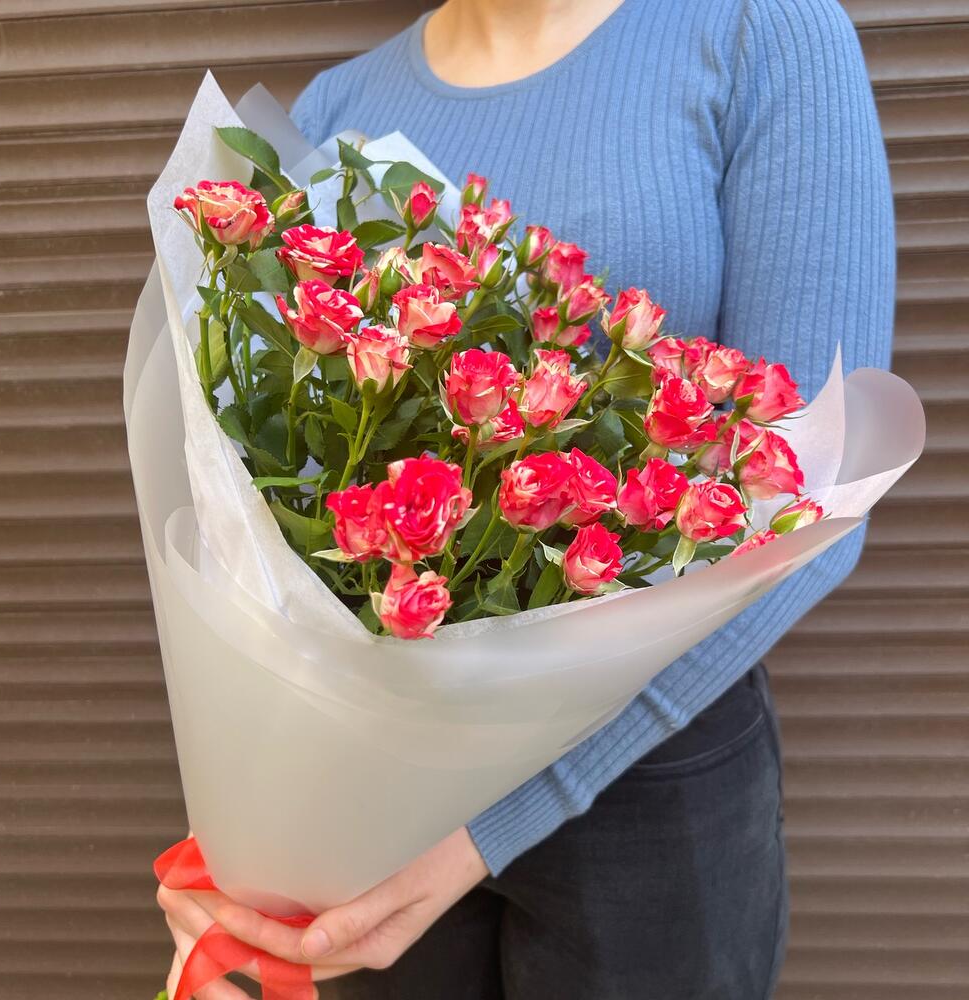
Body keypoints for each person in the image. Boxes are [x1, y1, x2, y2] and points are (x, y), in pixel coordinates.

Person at [158, 1, 894, 996]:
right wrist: (247, 839)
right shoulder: (338, 109)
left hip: (647, 780)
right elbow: (261, 501)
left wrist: (489, 823)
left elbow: (815, 498)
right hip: (385, 790)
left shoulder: (757, 34)